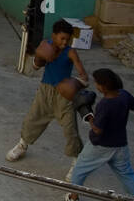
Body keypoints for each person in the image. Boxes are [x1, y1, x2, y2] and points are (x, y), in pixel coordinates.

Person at [64, 69, 134, 201]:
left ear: (103, 86)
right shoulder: (124, 95)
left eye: (97, 83)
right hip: (120, 145)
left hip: (100, 146)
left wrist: (88, 115)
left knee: (79, 170)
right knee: (128, 176)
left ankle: (74, 199)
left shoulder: (105, 104)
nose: (96, 86)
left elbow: (97, 129)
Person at [7, 19, 89, 164]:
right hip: (45, 90)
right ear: (54, 35)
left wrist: (75, 83)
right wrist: (39, 56)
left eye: (67, 39)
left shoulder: (71, 52)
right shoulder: (46, 46)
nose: (64, 42)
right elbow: (36, 67)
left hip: (63, 95)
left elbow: (84, 76)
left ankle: (77, 161)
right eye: (62, 38)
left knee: (70, 129)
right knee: (32, 119)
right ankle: (22, 145)